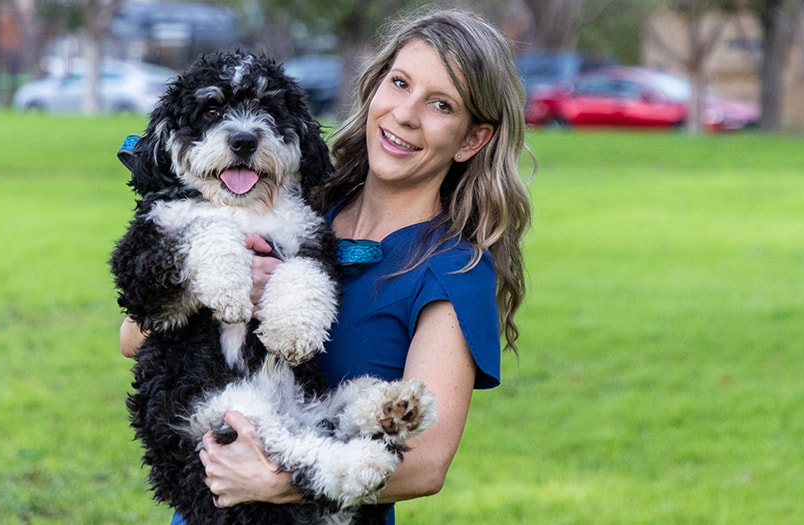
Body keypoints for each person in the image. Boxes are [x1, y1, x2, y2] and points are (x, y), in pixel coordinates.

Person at [120, 8, 530, 522]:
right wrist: (222, 289)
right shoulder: (297, 203)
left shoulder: (452, 269)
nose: (405, 114)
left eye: (441, 105)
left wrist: (277, 483)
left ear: (473, 139)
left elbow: (426, 467)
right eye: (400, 83)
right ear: (376, 86)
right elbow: (132, 337)